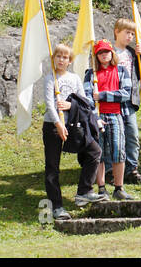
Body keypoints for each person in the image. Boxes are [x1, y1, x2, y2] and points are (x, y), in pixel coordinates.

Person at [41, 42, 101, 220]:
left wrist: (70, 105)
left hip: (75, 126)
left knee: (94, 152)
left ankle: (84, 191)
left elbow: (85, 103)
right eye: (58, 56)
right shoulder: (50, 78)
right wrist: (58, 123)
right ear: (54, 59)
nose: (61, 60)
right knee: (52, 166)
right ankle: (57, 207)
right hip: (53, 126)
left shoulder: (75, 78)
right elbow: (50, 104)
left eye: (65, 57)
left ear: (70, 60)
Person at [83, 40, 132, 199]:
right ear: (96, 56)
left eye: (107, 52)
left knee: (118, 150)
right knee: (99, 152)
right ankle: (102, 188)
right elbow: (87, 98)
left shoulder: (121, 71)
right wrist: (94, 116)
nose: (104, 55)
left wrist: (103, 95)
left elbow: (125, 94)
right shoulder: (91, 74)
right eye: (100, 53)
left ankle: (119, 188)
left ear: (112, 53)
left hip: (116, 115)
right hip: (97, 117)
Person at [108, 18, 141, 186]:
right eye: (127, 32)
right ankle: (111, 171)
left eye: (132, 33)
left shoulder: (132, 53)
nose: (130, 36)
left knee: (132, 136)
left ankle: (132, 169)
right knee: (113, 136)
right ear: (117, 31)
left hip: (129, 101)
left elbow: (139, 75)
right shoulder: (108, 51)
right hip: (112, 101)